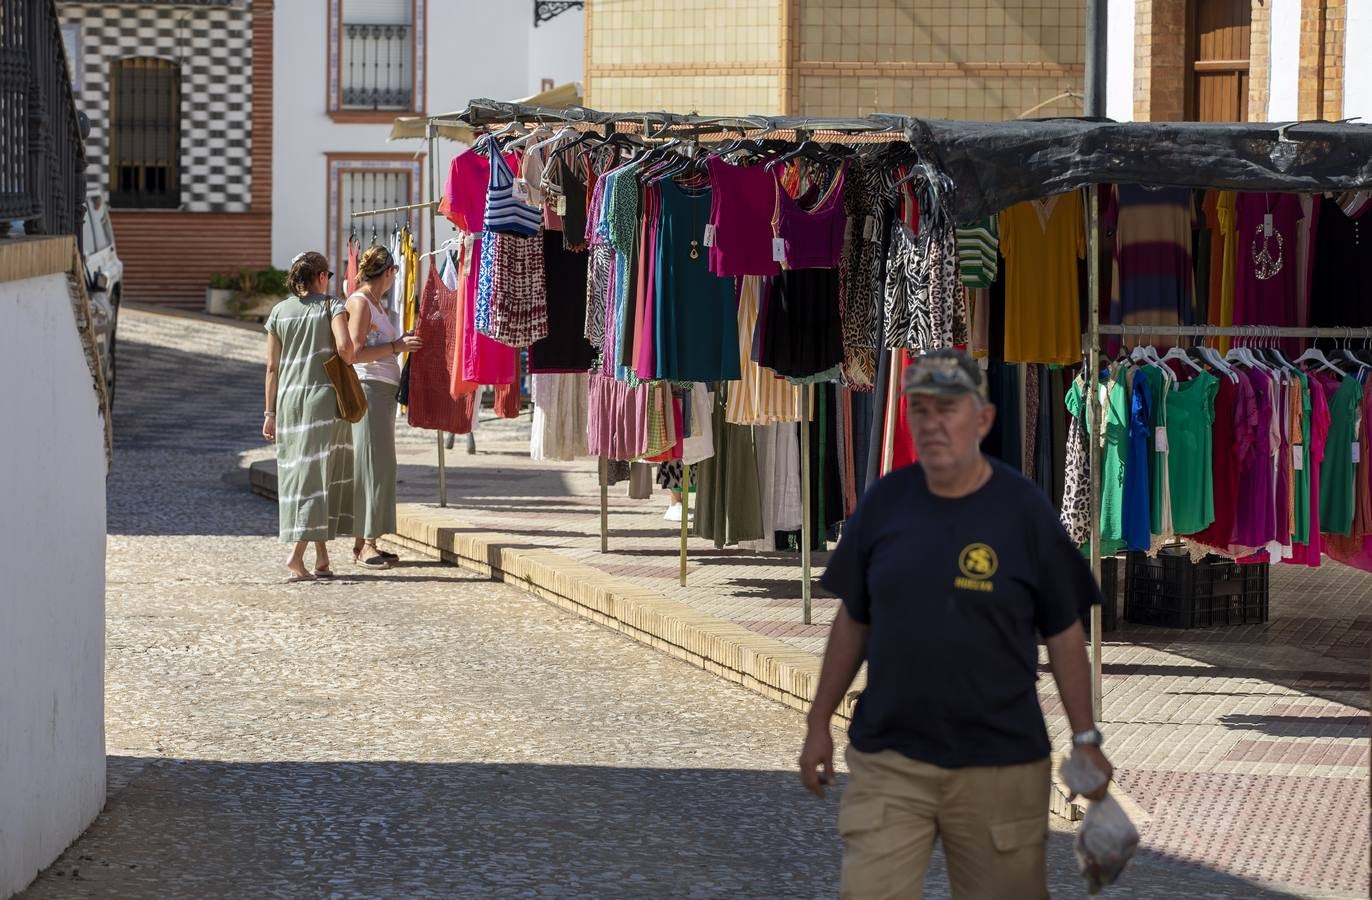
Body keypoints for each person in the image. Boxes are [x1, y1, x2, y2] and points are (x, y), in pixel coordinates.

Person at [799, 348, 1114, 900]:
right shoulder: (884, 504)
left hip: (1001, 764)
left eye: (948, 408)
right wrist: (819, 720)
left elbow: (1065, 631)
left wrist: (1086, 739)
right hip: (891, 758)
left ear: (984, 419)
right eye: (919, 409)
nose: (932, 423)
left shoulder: (1025, 512)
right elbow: (853, 619)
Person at [263, 252, 356, 581]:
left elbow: (272, 369)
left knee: (300, 475)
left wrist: (269, 413)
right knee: (316, 477)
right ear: (319, 277)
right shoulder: (332, 306)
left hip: (288, 402)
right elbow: (346, 348)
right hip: (321, 399)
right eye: (328, 275)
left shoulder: (278, 312)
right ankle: (296, 555)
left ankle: (321, 559)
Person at [345, 246, 423, 569]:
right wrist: (395, 346)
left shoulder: (376, 303)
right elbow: (353, 353)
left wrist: (398, 343)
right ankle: (367, 544)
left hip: (382, 394)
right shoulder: (361, 303)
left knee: (380, 466)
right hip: (370, 391)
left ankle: (367, 540)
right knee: (374, 466)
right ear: (389, 272)